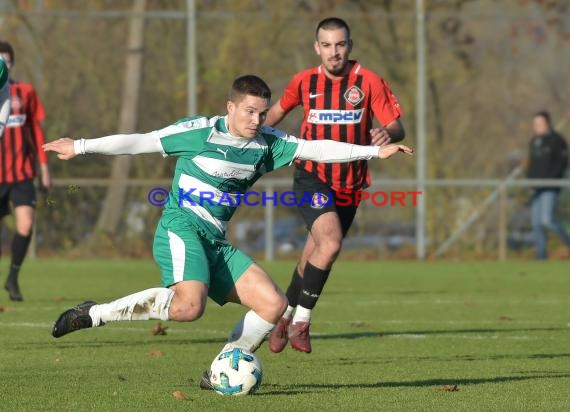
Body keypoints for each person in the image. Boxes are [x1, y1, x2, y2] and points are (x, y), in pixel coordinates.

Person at [44, 75, 412, 390]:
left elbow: (316, 147)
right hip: (181, 226)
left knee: (274, 305)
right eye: (249, 111)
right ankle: (96, 313)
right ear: (230, 107)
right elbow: (140, 141)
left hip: (216, 241)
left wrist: (373, 153)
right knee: (190, 307)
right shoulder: (198, 132)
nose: (256, 119)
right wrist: (79, 146)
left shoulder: (268, 144)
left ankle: (219, 371)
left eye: (262, 112)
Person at [264, 17, 405, 353]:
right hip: (311, 175)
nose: (334, 52)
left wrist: (389, 134)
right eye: (326, 45)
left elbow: (396, 126)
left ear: (349, 46)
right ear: (317, 48)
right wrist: (243, 130)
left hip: (350, 183)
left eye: (340, 44)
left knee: (315, 252)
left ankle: (283, 316)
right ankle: (302, 322)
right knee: (330, 244)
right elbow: (272, 115)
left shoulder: (368, 82)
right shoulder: (303, 81)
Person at [0, 41, 51, 302]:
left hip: (21, 173)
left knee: (26, 224)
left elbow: (36, 130)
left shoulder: (25, 91)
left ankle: (12, 278)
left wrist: (44, 169)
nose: (3, 65)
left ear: (12, 63)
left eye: (6, 61)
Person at [527, 111, 570, 259]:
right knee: (536, 223)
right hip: (536, 188)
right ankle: (541, 255)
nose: (536, 126)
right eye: (535, 124)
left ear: (548, 123)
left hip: (550, 187)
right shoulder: (534, 141)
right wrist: (530, 181)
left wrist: (551, 179)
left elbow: (562, 164)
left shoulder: (557, 140)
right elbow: (532, 164)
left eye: (539, 123)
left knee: (547, 220)